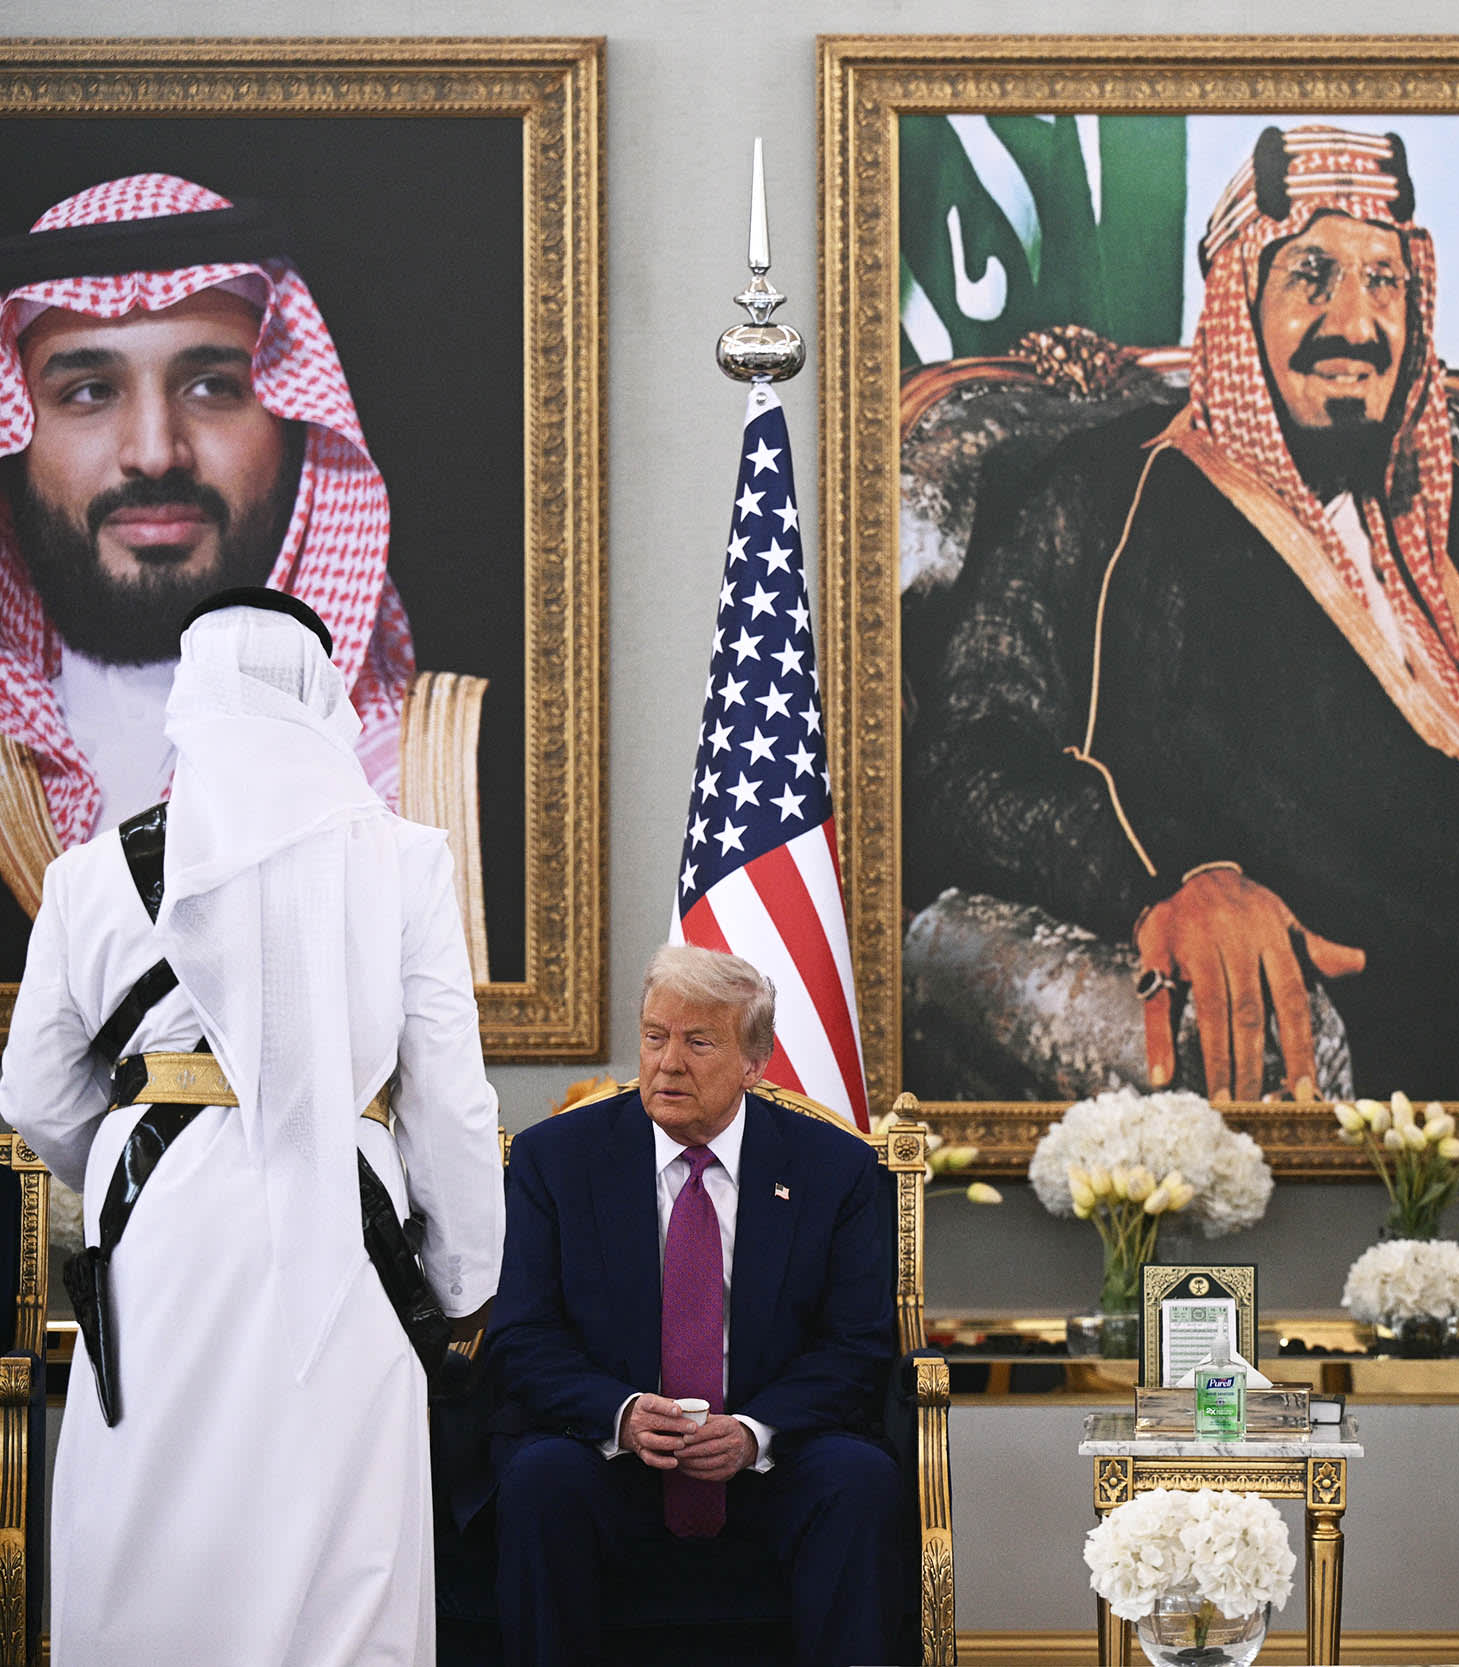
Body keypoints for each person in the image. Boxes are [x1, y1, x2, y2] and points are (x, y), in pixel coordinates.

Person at [909, 123, 1459, 1101]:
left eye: (1384, 282)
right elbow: (966, 766)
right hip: (1398, 1035)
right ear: (1239, 300)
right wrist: (1164, 885)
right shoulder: (1102, 495)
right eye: (1312, 275)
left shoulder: (1440, 507)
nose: (1356, 321)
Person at [0, 587, 502, 1665]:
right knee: (344, 1540)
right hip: (352, 1243)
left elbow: (34, 1093)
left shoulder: (89, 876)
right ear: (321, 696)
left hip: (160, 1235)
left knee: (151, 1514)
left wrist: (142, 1166)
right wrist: (461, 1279)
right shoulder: (407, 861)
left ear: (190, 698)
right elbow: (452, 1099)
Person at [0, 172, 451, 970]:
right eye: (88, 391)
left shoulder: (428, 765)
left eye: (212, 387)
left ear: (295, 421)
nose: (153, 451)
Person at [487, 944, 904, 1667]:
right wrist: (618, 1410)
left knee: (858, 1480)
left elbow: (858, 1343)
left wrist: (752, 1430)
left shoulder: (833, 1169)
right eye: (655, 1036)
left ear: (754, 1061)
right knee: (540, 1479)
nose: (667, 1062)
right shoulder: (555, 1158)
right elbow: (523, 1333)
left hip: (776, 1463)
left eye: (698, 1041)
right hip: (608, 1458)